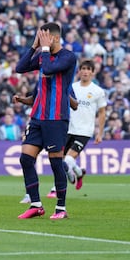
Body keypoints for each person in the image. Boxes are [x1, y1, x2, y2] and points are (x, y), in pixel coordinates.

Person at [15, 22, 77, 220]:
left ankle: (61, 208)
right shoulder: (43, 54)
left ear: (55, 38)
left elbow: (49, 69)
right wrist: (34, 46)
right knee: (25, 158)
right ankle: (36, 204)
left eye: (44, 37)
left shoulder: (67, 57)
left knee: (55, 163)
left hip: (56, 118)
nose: (42, 41)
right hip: (38, 116)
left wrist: (42, 49)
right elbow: (20, 67)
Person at [46, 58, 107, 197]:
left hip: (84, 131)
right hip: (67, 128)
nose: (85, 72)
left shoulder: (97, 91)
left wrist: (100, 133)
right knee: (59, 161)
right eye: (83, 69)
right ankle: (79, 173)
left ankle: (56, 188)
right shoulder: (71, 87)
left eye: (88, 69)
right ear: (79, 71)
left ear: (93, 73)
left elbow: (102, 112)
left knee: (67, 160)